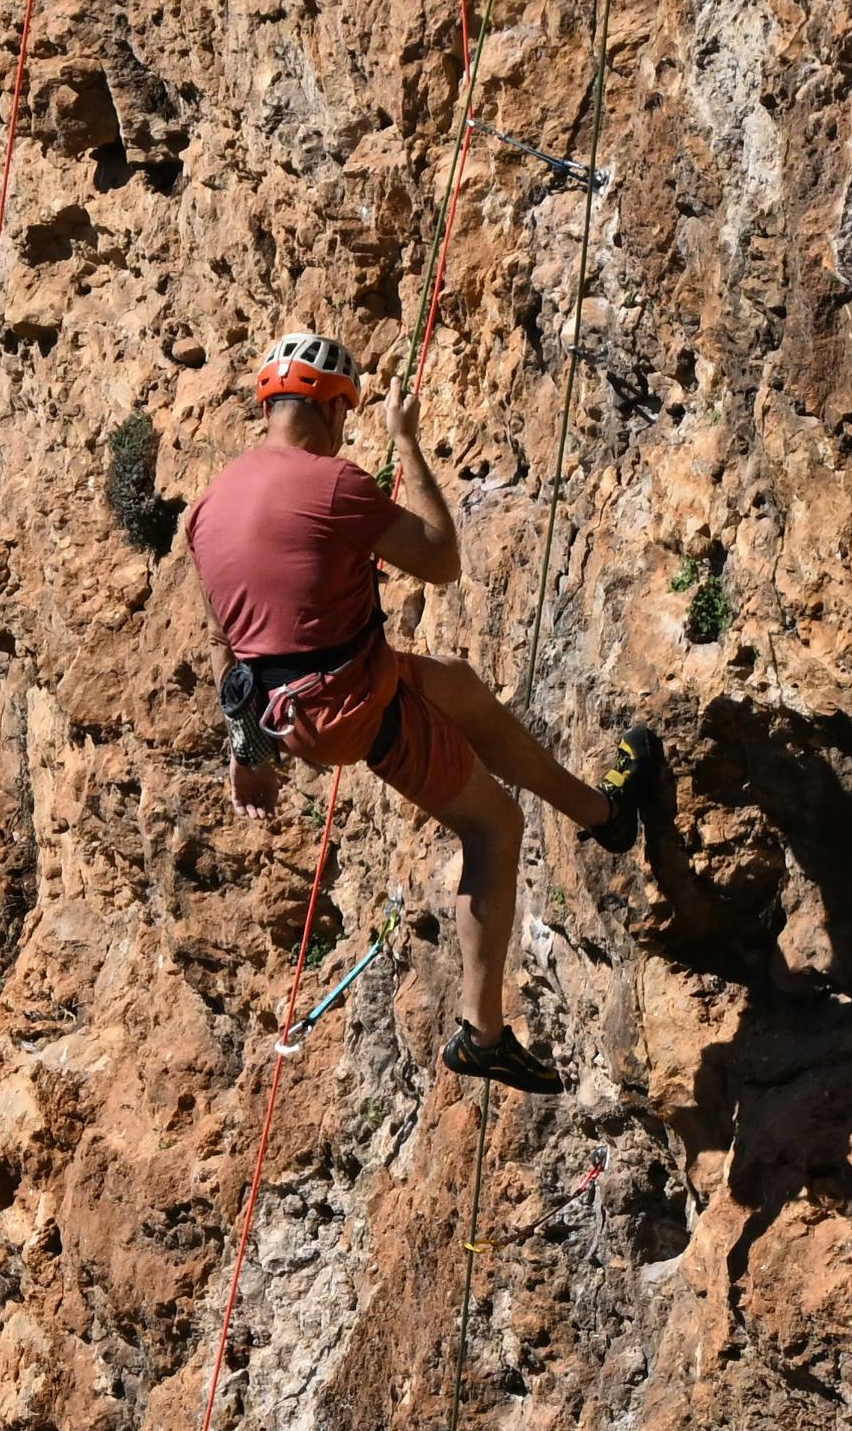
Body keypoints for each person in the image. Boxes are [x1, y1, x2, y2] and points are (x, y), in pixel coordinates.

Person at [186, 328, 650, 1091]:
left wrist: (249, 753)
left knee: (456, 684)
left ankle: (603, 815)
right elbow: (441, 559)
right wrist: (406, 441)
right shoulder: (332, 484)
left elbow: (223, 646)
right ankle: (483, 1032)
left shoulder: (208, 507)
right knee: (494, 826)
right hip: (350, 706)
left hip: (286, 711)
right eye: (346, 412)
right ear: (333, 407)